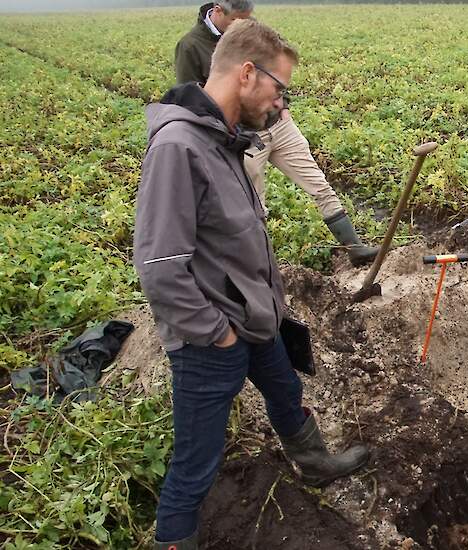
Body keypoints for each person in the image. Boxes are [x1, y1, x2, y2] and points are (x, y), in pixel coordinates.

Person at [137, 19, 370, 550]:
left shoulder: (224, 138)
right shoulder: (179, 147)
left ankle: (313, 462)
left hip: (254, 315)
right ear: (247, 73)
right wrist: (215, 333)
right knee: (197, 459)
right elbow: (160, 265)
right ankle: (175, 539)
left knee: (286, 391)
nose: (282, 104)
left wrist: (264, 306)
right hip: (212, 336)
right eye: (279, 88)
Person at [175, 1, 378, 267]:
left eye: (248, 18)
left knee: (318, 183)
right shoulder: (191, 45)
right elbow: (193, 96)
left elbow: (274, 72)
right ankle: (261, 267)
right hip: (242, 135)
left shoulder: (251, 35)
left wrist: (284, 108)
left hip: (277, 126)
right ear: (218, 10)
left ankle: (354, 247)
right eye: (239, 19)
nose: (244, 24)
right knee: (253, 205)